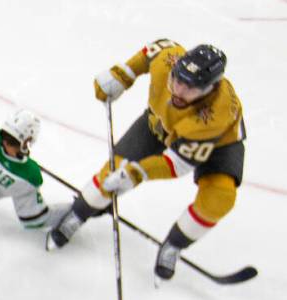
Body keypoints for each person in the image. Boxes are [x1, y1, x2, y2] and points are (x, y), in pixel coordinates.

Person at [46, 40, 245, 281]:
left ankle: (175, 244)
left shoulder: (213, 117)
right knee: (113, 171)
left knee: (219, 198)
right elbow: (156, 50)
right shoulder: (168, 61)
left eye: (190, 88)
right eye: (177, 80)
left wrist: (136, 173)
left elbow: (175, 164)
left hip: (219, 143)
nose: (178, 91)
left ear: (209, 89)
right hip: (160, 124)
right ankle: (78, 213)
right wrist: (123, 74)